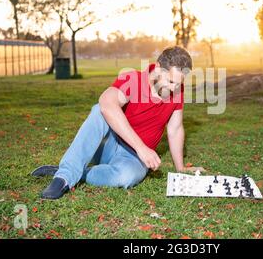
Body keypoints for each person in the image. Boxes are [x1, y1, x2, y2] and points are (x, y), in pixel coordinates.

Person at [32, 46, 202, 199]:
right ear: (158, 68)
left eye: (179, 83)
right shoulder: (133, 79)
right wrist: (141, 147)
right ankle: (65, 176)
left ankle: (78, 171)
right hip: (109, 144)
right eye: (171, 81)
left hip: (132, 158)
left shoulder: (177, 90)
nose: (174, 88)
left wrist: (180, 168)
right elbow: (106, 103)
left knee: (126, 177)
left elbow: (175, 129)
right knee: (99, 109)